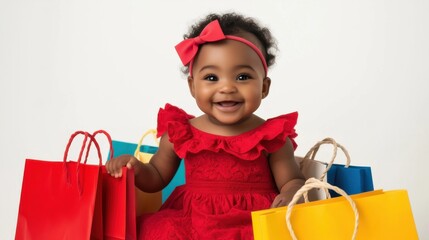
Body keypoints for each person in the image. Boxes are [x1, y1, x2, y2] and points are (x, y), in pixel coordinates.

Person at [106, 12, 305, 240]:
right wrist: (138, 170)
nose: (227, 87)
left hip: (251, 221)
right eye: (211, 78)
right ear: (192, 86)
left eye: (242, 77)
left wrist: (290, 193)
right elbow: (157, 176)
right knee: (161, 231)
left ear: (264, 87)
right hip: (192, 222)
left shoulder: (272, 137)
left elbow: (292, 179)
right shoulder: (181, 132)